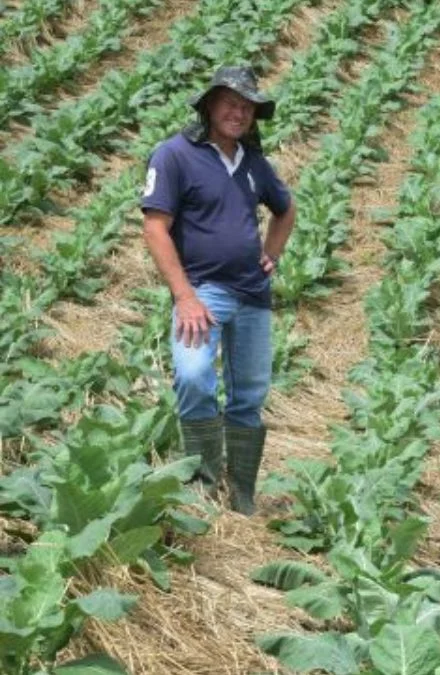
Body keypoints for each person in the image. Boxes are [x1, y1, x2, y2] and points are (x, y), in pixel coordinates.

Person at [140, 65, 296, 515]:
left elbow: (285, 210)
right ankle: (204, 486)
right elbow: (155, 228)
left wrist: (273, 254)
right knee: (192, 376)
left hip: (252, 295)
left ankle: (242, 496)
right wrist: (185, 296)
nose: (239, 112)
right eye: (231, 102)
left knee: (248, 395)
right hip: (204, 292)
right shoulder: (174, 155)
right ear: (210, 105)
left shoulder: (252, 163)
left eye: (247, 107)